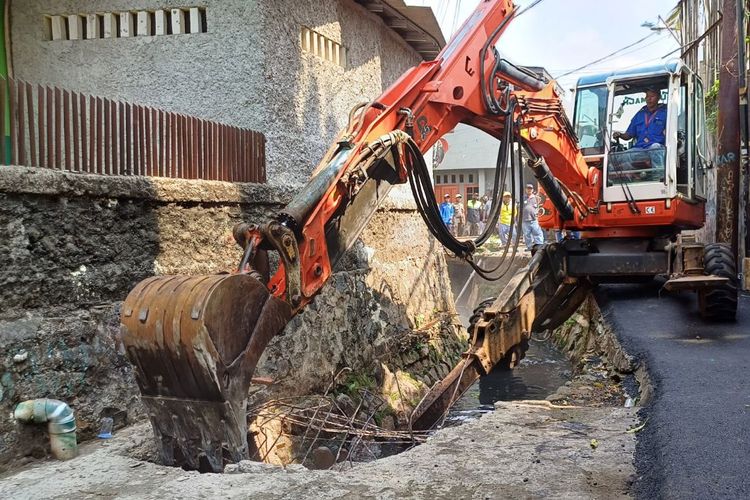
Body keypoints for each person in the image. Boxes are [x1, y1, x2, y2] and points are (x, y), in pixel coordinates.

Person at [612, 87, 666, 171]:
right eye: (647, 96)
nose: (649, 99)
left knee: (655, 148)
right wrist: (620, 135)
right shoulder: (640, 114)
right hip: (640, 149)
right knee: (620, 157)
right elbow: (629, 135)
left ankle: (659, 177)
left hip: (658, 148)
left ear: (659, 97)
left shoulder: (666, 112)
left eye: (652, 96)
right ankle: (631, 178)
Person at [522, 183, 544, 251]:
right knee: (527, 235)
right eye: (528, 188)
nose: (529, 190)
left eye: (530, 188)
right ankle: (529, 247)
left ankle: (539, 246)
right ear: (525, 189)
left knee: (537, 233)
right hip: (525, 220)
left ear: (532, 190)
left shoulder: (536, 198)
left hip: (534, 220)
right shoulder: (522, 198)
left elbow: (541, 207)